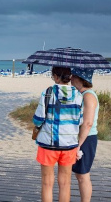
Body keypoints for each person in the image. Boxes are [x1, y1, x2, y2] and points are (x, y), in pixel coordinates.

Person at [33, 67, 83, 202]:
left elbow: (38, 119)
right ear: (70, 77)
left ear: (56, 77)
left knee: (47, 183)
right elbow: (80, 121)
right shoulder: (79, 95)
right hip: (69, 145)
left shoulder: (48, 93)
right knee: (65, 183)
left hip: (48, 145)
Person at [71, 68, 99, 202]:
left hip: (86, 138)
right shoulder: (81, 94)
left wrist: (78, 145)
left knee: (83, 174)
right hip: (81, 137)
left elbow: (88, 123)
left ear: (80, 79)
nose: (71, 78)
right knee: (79, 174)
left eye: (73, 76)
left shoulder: (88, 96)